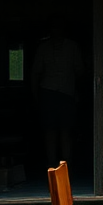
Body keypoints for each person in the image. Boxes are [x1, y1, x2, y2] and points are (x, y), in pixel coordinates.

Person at [31, 15, 84, 170]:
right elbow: (35, 73)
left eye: (59, 28)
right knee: (50, 131)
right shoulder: (43, 48)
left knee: (66, 131)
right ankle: (52, 165)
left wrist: (78, 92)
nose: (56, 31)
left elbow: (80, 72)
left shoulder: (72, 47)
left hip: (67, 94)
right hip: (48, 93)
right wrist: (35, 97)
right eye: (54, 28)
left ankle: (66, 166)